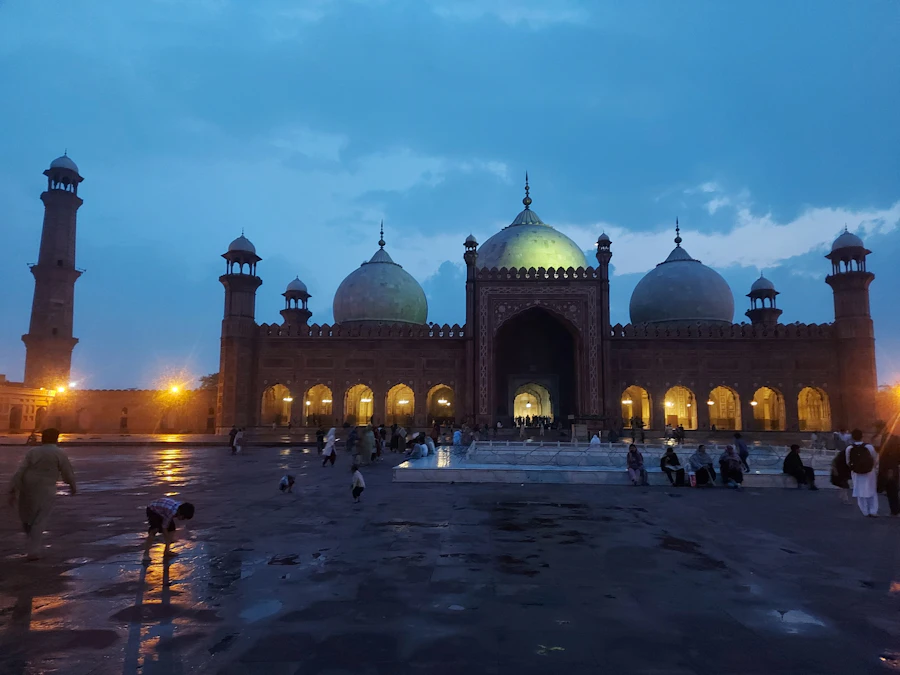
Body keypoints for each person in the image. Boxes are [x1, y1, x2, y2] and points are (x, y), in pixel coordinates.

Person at [7, 428, 76, 560]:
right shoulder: (59, 453)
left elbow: (21, 470)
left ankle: (30, 534)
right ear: (56, 438)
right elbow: (67, 472)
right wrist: (72, 486)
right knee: (40, 518)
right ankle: (33, 551)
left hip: (28, 486)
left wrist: (13, 488)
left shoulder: (33, 451)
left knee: (27, 516)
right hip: (46, 488)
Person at [142, 497, 195, 564]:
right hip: (153, 510)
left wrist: (168, 538)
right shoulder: (171, 512)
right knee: (154, 530)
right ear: (180, 513)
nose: (182, 520)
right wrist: (167, 538)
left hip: (163, 511)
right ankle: (146, 554)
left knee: (172, 529)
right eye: (183, 518)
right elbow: (164, 528)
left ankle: (167, 551)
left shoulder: (179, 509)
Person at [846, 428, 878, 517]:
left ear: (852, 437)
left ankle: (865, 511)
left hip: (856, 473)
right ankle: (873, 511)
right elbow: (875, 458)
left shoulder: (849, 448)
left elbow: (848, 461)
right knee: (872, 490)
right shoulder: (869, 447)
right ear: (862, 436)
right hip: (869, 472)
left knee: (860, 492)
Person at [878, 435, 900, 517]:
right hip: (892, 469)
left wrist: (890, 470)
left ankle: (895, 511)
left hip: (888, 470)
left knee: (892, 491)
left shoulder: (889, 449)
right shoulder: (896, 447)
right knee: (892, 491)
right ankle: (895, 511)